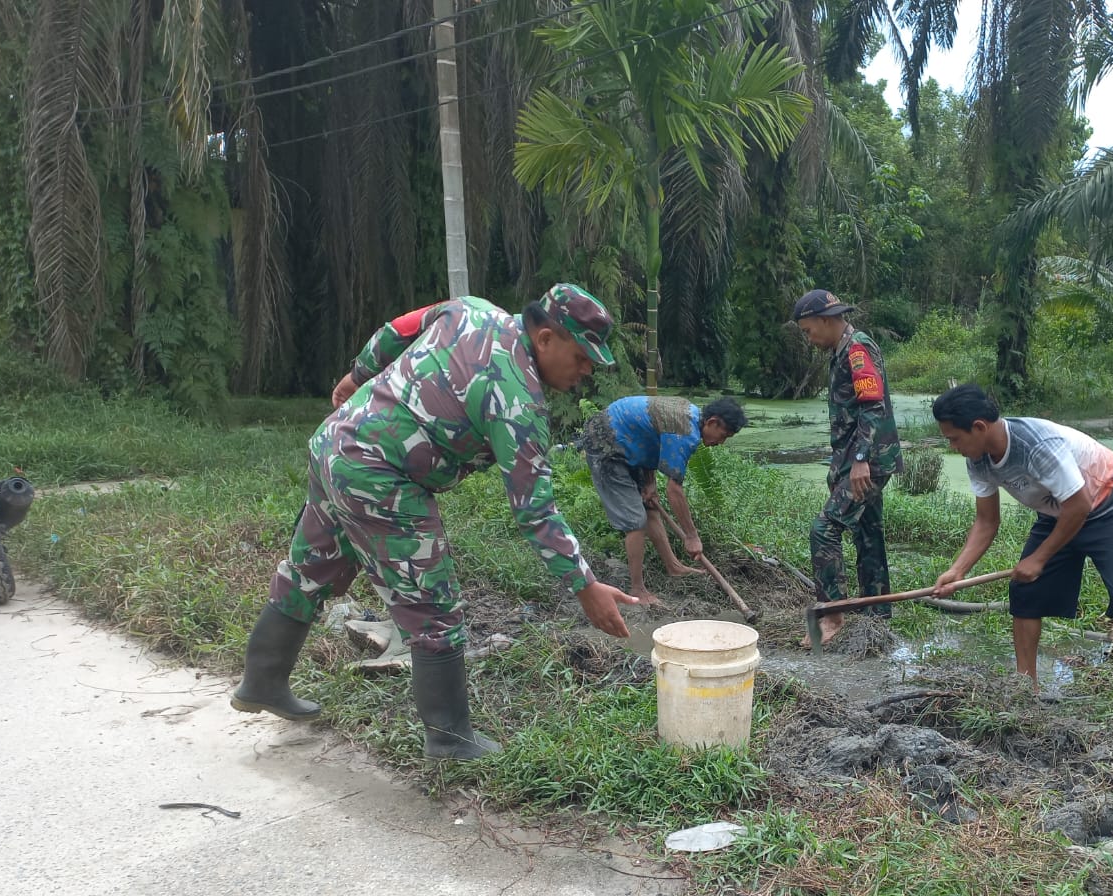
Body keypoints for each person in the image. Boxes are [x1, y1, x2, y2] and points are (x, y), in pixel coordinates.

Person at [231, 285, 638, 759]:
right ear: (545, 338)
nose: (587, 370)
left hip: (336, 446)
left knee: (309, 570)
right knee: (433, 608)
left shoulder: (472, 311)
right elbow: (534, 509)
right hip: (382, 477)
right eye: (582, 356)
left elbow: (395, 331)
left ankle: (262, 680)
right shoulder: (517, 401)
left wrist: (354, 376)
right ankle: (450, 738)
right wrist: (586, 586)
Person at [929, 384, 1113, 712]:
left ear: (979, 427)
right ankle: (1026, 687)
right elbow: (987, 521)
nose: (953, 447)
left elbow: (1080, 505)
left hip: (1109, 503)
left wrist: (1039, 558)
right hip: (1058, 510)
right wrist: (957, 571)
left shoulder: (1036, 445)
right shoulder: (978, 458)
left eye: (954, 438)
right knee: (1025, 592)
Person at [791, 288, 901, 646]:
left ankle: (832, 614)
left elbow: (872, 407)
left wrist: (858, 462)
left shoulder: (857, 350)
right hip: (860, 460)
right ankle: (878, 613)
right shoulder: (841, 352)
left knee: (824, 528)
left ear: (826, 320)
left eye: (809, 331)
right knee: (868, 534)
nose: (809, 339)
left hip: (868, 461)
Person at [582, 394, 748, 605]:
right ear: (712, 422)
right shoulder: (685, 432)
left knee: (649, 506)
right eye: (723, 435)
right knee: (635, 522)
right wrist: (691, 536)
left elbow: (651, 438)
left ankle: (673, 566)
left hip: (629, 439)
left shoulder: (692, 417)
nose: (721, 442)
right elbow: (674, 490)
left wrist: (649, 482)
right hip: (606, 440)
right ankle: (637, 590)